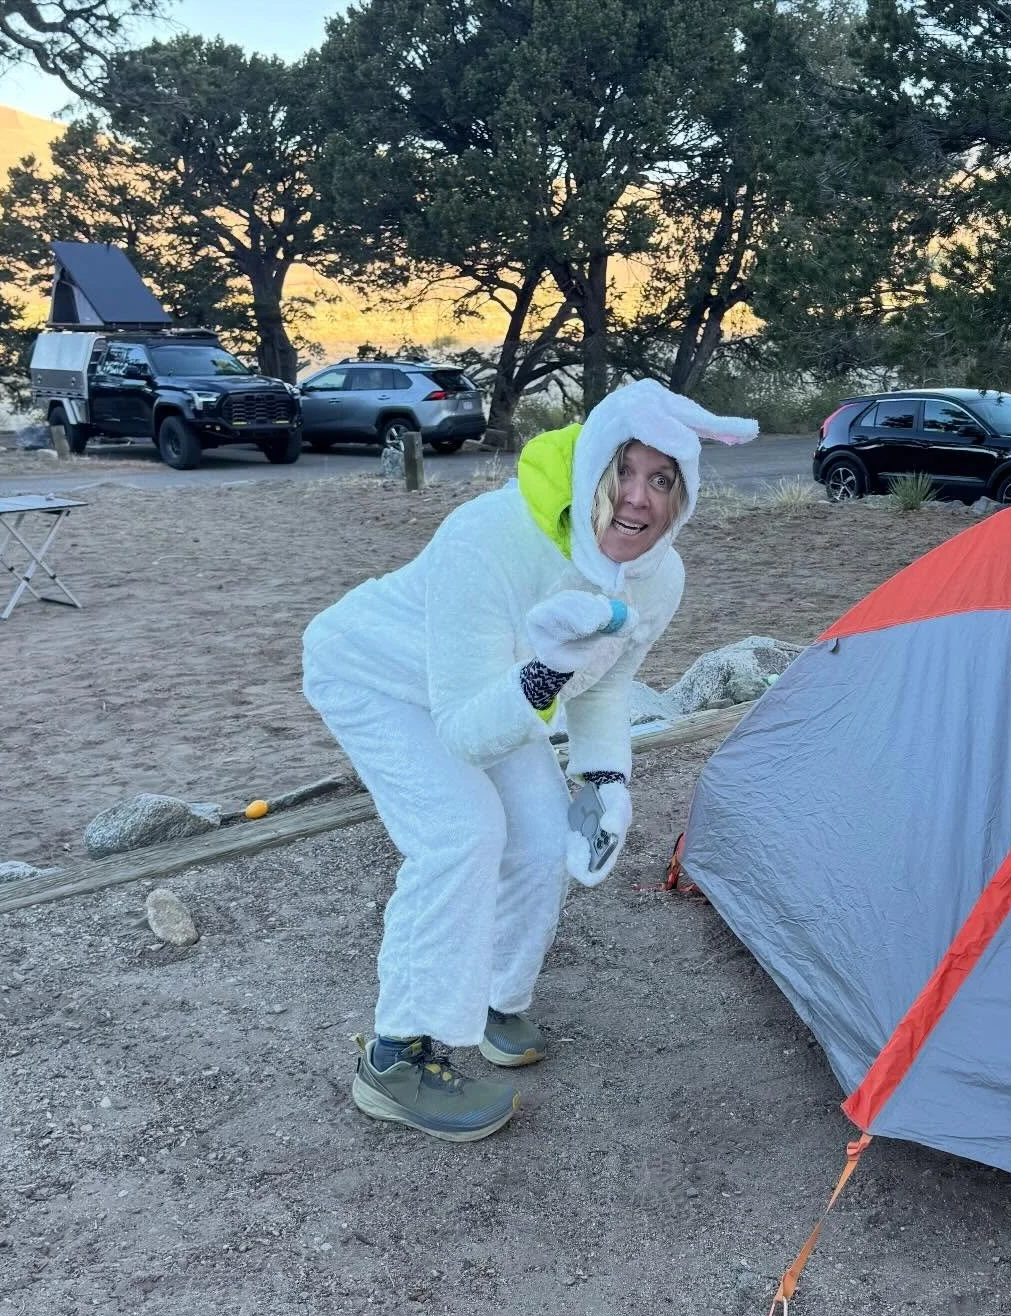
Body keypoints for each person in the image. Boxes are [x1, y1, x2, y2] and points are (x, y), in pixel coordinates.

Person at [302, 379, 758, 1141]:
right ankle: (394, 1059)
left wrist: (607, 779)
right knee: (462, 831)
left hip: (494, 692)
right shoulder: (487, 539)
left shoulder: (659, 575)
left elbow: (603, 687)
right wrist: (545, 671)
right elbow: (463, 733)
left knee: (545, 835)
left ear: (686, 490)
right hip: (377, 675)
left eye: (662, 478)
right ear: (591, 470)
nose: (638, 500)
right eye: (623, 471)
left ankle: (493, 997)